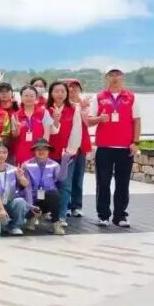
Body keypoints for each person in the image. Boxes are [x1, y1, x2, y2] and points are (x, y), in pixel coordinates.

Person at [87, 68, 141, 228]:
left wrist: (135, 142)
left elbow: (137, 121)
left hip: (125, 147)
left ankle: (120, 216)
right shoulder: (99, 97)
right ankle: (103, 216)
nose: (115, 78)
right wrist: (99, 119)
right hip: (104, 147)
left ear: (122, 77)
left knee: (123, 183)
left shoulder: (131, 97)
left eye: (117, 74)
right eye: (111, 75)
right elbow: (89, 121)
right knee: (103, 182)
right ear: (106, 78)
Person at [46, 80, 83, 225]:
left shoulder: (73, 110)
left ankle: (61, 216)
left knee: (65, 185)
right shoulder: (46, 110)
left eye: (63, 91)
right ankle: (51, 212)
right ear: (51, 93)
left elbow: (77, 131)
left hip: (66, 154)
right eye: (56, 91)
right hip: (49, 154)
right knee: (50, 185)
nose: (60, 94)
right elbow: (47, 132)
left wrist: (70, 151)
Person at [0, 142, 28, 236]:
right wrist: (1, 209)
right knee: (1, 222)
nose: (1, 155)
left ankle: (15, 226)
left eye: (4, 152)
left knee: (21, 202)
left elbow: (26, 184)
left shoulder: (14, 169)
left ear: (7, 154)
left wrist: (20, 177)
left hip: (10, 202)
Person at [21, 139, 67, 235]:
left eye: (44, 149)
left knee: (54, 195)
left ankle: (56, 224)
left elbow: (61, 178)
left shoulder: (54, 165)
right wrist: (30, 206)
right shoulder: (26, 165)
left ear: (49, 151)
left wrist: (65, 160)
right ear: (34, 151)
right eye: (38, 149)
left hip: (47, 196)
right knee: (25, 202)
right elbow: (27, 188)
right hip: (32, 198)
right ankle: (31, 217)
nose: (41, 151)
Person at [64, 79, 93, 218]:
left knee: (78, 178)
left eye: (76, 87)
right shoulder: (63, 105)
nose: (73, 89)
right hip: (66, 147)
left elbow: (89, 122)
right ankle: (66, 205)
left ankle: (76, 206)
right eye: (70, 87)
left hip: (81, 147)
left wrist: (83, 108)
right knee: (66, 178)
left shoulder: (85, 105)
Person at [11, 86, 54, 164]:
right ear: (21, 97)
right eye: (26, 96)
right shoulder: (15, 115)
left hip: (40, 151)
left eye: (32, 96)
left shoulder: (45, 112)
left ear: (36, 97)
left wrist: (43, 150)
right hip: (22, 151)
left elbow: (47, 134)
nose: (29, 98)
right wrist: (17, 129)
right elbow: (14, 136)